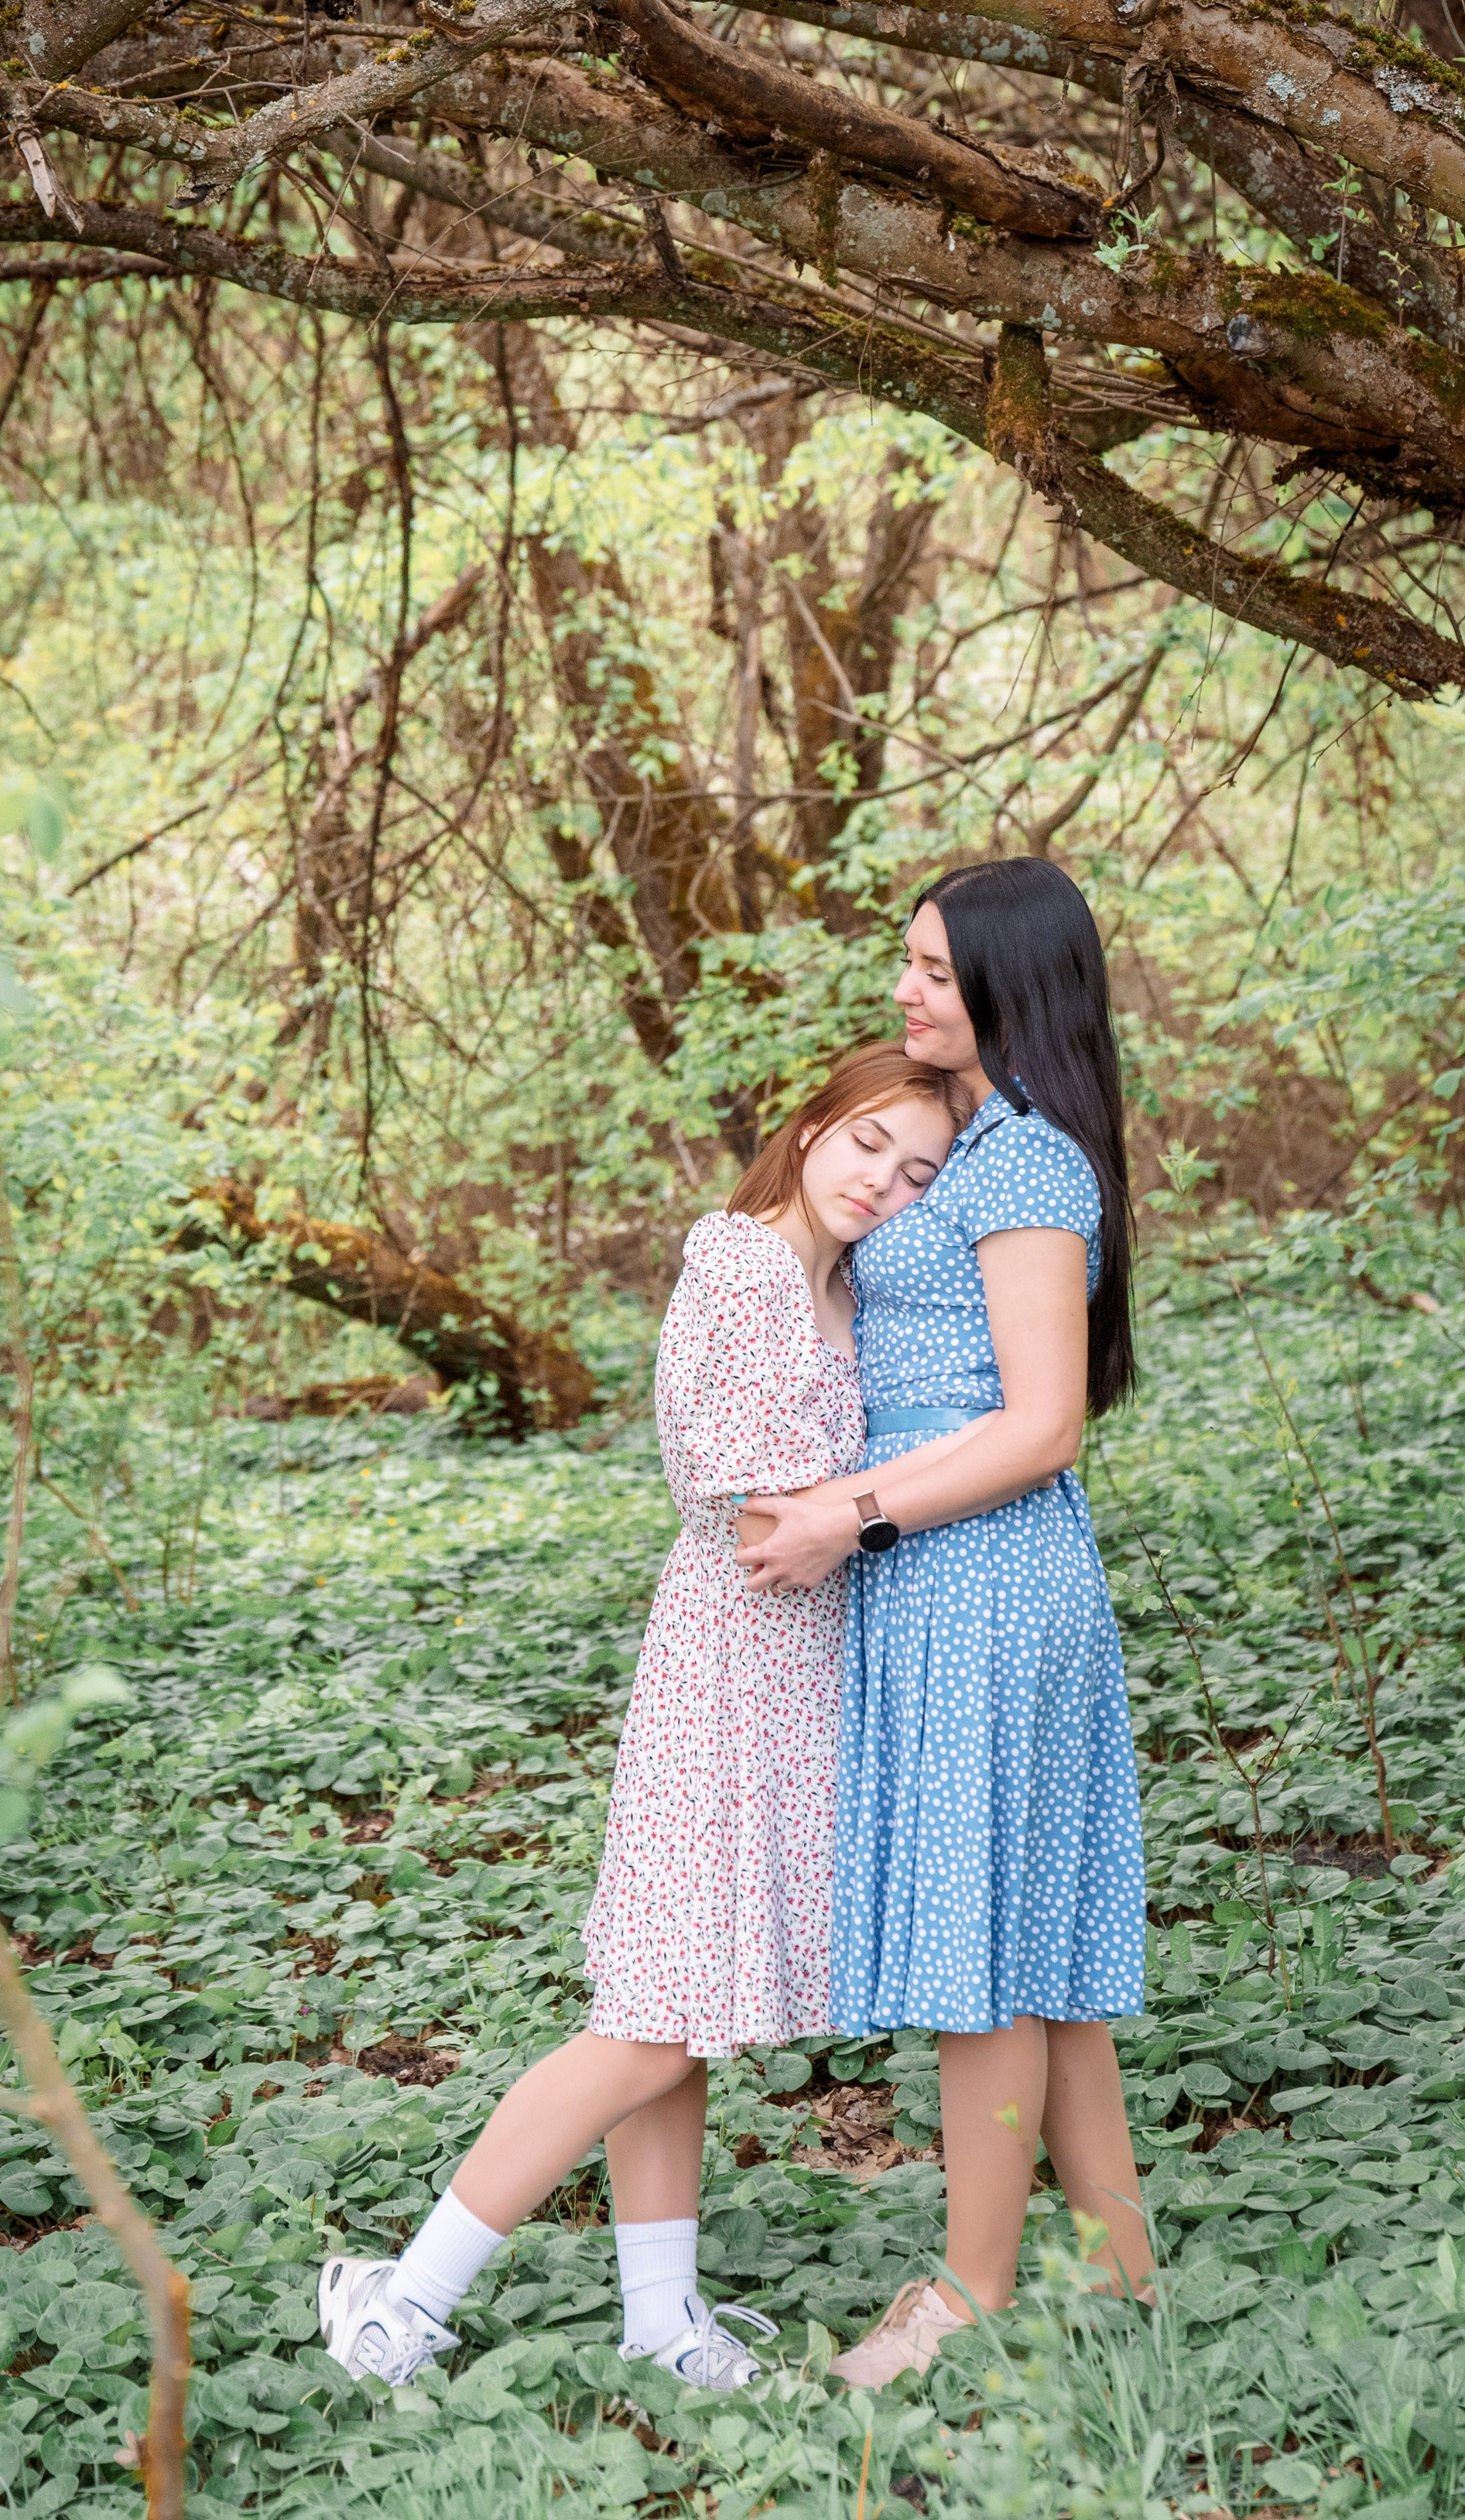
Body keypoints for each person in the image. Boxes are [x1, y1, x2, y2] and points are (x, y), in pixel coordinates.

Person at [317, 1041, 987, 2395]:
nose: (885, 1183)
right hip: (728, 1669)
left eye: (920, 1173)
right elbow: (751, 1514)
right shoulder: (742, 1267)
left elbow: (820, 1503)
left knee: (680, 2013)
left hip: (797, 1676)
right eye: (869, 1143)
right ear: (812, 1126)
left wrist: (872, 1501)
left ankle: (662, 2319)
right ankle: (401, 2295)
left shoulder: (840, 1285)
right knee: (646, 2023)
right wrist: (915, 1489)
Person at [735, 857, 1153, 2386]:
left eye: (930, 968)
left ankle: (968, 2295)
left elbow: (1042, 1424)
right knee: (1035, 1950)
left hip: (982, 1572)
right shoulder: (973, 1143)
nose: (902, 990)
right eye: (903, 961)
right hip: (943, 1568)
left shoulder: (1027, 1162)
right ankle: (1120, 2272)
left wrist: (850, 1513)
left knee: (982, 1953)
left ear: (1007, 982)